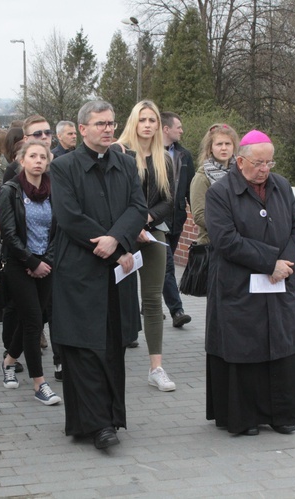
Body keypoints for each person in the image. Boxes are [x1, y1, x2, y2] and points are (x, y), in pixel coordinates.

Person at [50, 100, 147, 449]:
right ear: (82, 129)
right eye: (101, 123)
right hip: (79, 271)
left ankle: (111, 419)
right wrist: (105, 242)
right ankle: (95, 425)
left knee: (112, 346)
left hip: (116, 269)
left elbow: (139, 207)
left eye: (111, 122)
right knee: (84, 349)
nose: (108, 128)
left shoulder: (124, 163)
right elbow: (68, 215)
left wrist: (116, 240)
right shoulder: (63, 167)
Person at [205, 129, 295, 436]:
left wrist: (285, 264)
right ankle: (245, 416)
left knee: (283, 345)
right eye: (258, 163)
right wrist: (269, 262)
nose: (264, 169)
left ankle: (282, 414)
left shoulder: (282, 186)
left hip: (279, 284)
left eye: (269, 162)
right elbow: (226, 240)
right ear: (240, 161)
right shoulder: (220, 193)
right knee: (245, 349)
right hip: (239, 285)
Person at [115, 100, 176, 392]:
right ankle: (106, 362)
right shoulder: (119, 152)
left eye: (152, 120)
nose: (148, 125)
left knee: (152, 300)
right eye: (143, 119)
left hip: (153, 235)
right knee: (112, 299)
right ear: (134, 122)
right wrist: (132, 226)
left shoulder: (165, 157)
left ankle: (156, 368)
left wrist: (147, 220)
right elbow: (112, 199)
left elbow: (169, 200)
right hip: (121, 236)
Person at [0, 140, 61, 406]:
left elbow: (58, 230)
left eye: (42, 157)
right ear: (21, 161)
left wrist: (44, 261)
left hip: (46, 265)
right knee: (34, 321)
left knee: (32, 318)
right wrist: (31, 261)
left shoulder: (53, 190)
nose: (38, 161)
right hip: (18, 265)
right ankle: (40, 383)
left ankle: (9, 361)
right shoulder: (10, 191)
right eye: (32, 156)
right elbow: (8, 234)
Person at [160, 112, 193, 328]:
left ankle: (149, 301)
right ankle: (176, 310)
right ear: (166, 129)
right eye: (178, 127)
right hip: (156, 220)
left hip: (177, 219)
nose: (181, 131)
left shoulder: (184, 155)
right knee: (167, 265)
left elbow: (191, 188)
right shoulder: (148, 153)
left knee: (162, 263)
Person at [190, 124, 239, 247]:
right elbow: (199, 215)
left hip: (238, 242)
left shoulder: (240, 174)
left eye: (228, 144)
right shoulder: (202, 177)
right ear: (210, 148)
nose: (224, 148)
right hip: (211, 243)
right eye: (219, 144)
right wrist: (229, 227)